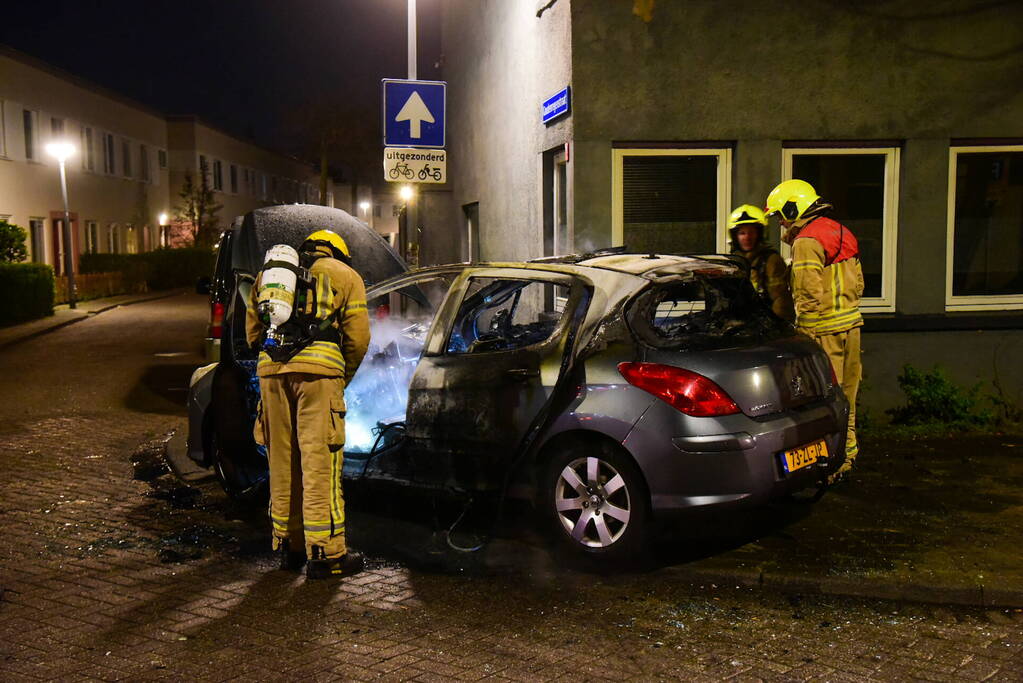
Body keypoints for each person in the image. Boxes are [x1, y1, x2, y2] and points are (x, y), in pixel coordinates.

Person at [246, 229, 371, 578]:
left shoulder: (268, 277)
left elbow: (253, 334)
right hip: (318, 379)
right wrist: (339, 378)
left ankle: (289, 547)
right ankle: (326, 554)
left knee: (282, 463)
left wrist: (273, 364)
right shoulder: (346, 275)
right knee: (320, 466)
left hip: (271, 375)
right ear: (338, 252)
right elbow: (359, 339)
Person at [764, 180, 863, 483]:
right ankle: (847, 456)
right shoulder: (839, 231)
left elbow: (808, 295)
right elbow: (858, 283)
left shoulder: (807, 240)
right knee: (848, 395)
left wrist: (802, 338)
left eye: (781, 214)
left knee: (823, 402)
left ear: (795, 207)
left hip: (823, 332)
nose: (781, 221)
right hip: (852, 326)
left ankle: (828, 462)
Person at [727, 204, 794, 321]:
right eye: (742, 233)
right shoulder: (733, 263)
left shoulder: (771, 261)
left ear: (759, 234)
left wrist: (775, 329)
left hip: (765, 328)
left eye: (751, 232)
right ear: (735, 236)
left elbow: (781, 300)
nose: (747, 237)